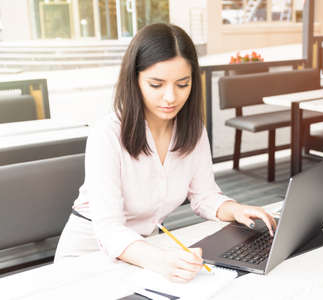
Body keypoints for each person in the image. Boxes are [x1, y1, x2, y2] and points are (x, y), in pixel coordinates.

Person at [55, 23, 276, 283]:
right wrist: (159, 260)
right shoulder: (107, 134)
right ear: (134, 80)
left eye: (182, 84)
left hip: (144, 252)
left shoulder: (192, 130)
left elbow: (204, 196)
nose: (170, 97)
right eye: (156, 84)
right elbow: (109, 229)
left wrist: (234, 209)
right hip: (88, 255)